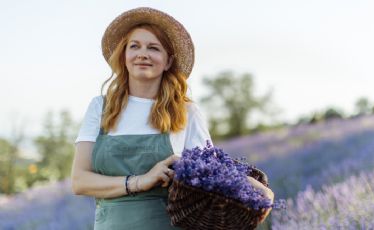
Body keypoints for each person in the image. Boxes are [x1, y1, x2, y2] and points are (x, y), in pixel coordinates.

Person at [71, 7, 273, 230]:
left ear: (168, 62)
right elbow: (80, 181)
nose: (143, 54)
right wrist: (141, 181)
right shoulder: (100, 108)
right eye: (134, 46)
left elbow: (213, 172)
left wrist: (258, 190)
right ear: (124, 56)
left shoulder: (186, 111)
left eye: (154, 48)